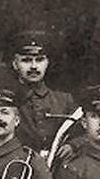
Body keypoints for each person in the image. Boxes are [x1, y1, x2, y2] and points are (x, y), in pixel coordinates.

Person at [7, 29, 78, 158]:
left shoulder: (65, 100)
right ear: (15, 64)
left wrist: (72, 145)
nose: (34, 66)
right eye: (26, 60)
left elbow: (84, 134)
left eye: (39, 60)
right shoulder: (7, 102)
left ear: (47, 63)